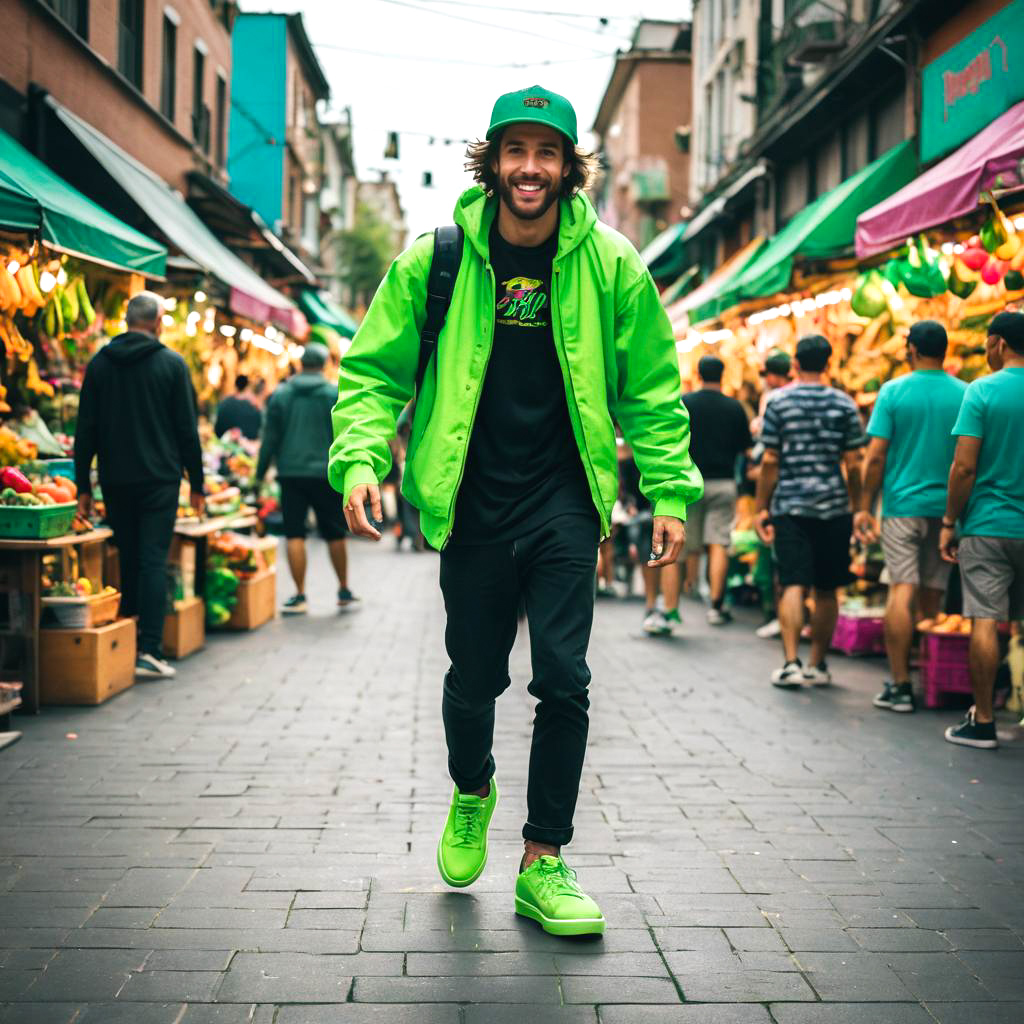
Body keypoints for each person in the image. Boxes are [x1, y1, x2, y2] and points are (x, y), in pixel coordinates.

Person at [329, 85, 702, 936]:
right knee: (474, 679)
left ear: (570, 167)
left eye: (547, 153)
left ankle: (545, 859)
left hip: (567, 503)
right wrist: (358, 457)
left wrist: (671, 488)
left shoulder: (613, 264)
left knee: (564, 677)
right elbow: (372, 374)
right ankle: (472, 787)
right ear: (492, 161)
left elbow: (650, 388)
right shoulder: (437, 261)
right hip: (473, 506)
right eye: (515, 151)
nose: (530, 168)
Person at [74, 291, 204, 679]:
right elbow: (186, 430)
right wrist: (197, 483)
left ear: (127, 320)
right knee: (152, 560)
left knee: (128, 558)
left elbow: (86, 430)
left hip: (114, 480)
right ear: (158, 321)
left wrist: (83, 484)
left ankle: (127, 641)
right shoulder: (171, 365)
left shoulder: (99, 364)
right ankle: (148, 648)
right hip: (159, 481)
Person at [855, 321, 967, 713]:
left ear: (913, 349)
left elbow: (875, 456)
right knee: (932, 594)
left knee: (902, 588)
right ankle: (930, 677)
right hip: (948, 510)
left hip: (902, 505)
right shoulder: (966, 392)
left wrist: (865, 505)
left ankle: (901, 685)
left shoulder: (893, 391)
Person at [754, 334, 865, 688]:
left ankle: (790, 663)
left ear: (795, 365)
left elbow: (770, 459)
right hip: (834, 507)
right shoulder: (845, 404)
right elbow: (855, 462)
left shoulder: (778, 403)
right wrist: (858, 505)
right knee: (828, 588)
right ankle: (818, 663)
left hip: (790, 505)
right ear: (828, 363)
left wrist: (761, 506)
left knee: (792, 583)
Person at [941, 311, 1024, 749]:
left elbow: (964, 466)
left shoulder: (982, 391)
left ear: (998, 344)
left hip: (989, 525)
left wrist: (949, 521)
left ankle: (985, 721)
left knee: (986, 621)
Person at [256, 343, 358, 615]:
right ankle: (344, 589)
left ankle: (300, 595)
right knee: (334, 532)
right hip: (325, 473)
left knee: (294, 533)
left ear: (301, 364)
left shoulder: (281, 394)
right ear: (324, 364)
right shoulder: (333, 393)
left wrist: (259, 474)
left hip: (291, 473)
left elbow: (270, 438)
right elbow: (345, 434)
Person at [676, 354, 751, 626]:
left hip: (691, 481)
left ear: (697, 374)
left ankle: (687, 589)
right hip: (724, 482)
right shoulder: (735, 407)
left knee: (688, 541)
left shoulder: (686, 403)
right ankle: (716, 606)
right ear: (722, 376)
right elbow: (747, 449)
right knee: (718, 542)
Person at [214, 374, 262, 440]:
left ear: (235, 386)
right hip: (248, 446)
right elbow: (257, 431)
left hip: (225, 445)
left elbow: (217, 430)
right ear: (247, 387)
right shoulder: (253, 406)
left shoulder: (224, 403)